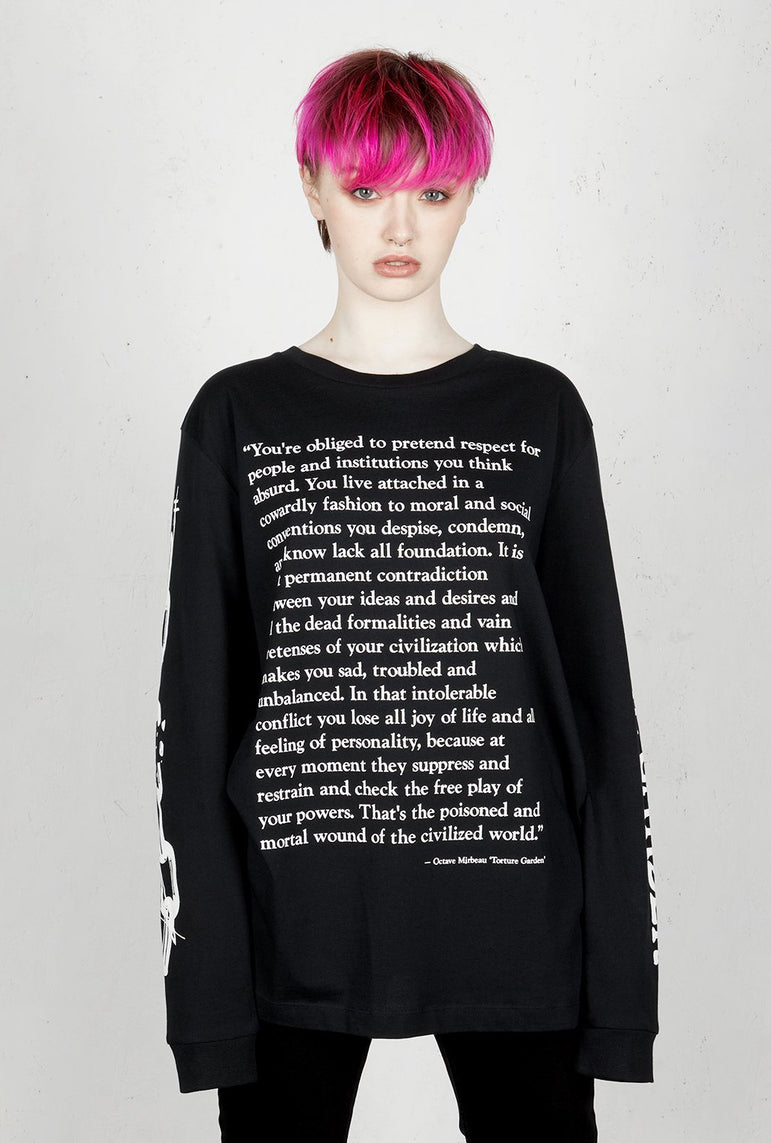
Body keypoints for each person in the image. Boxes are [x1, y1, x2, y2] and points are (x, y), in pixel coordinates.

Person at [154, 47, 659, 1142]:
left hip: (514, 911)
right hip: (296, 914)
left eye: (432, 193)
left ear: (471, 194)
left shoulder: (538, 410)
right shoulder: (238, 416)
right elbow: (196, 714)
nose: (398, 227)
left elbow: (598, 705)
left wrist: (622, 986)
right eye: (366, 188)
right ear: (312, 188)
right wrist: (207, 993)